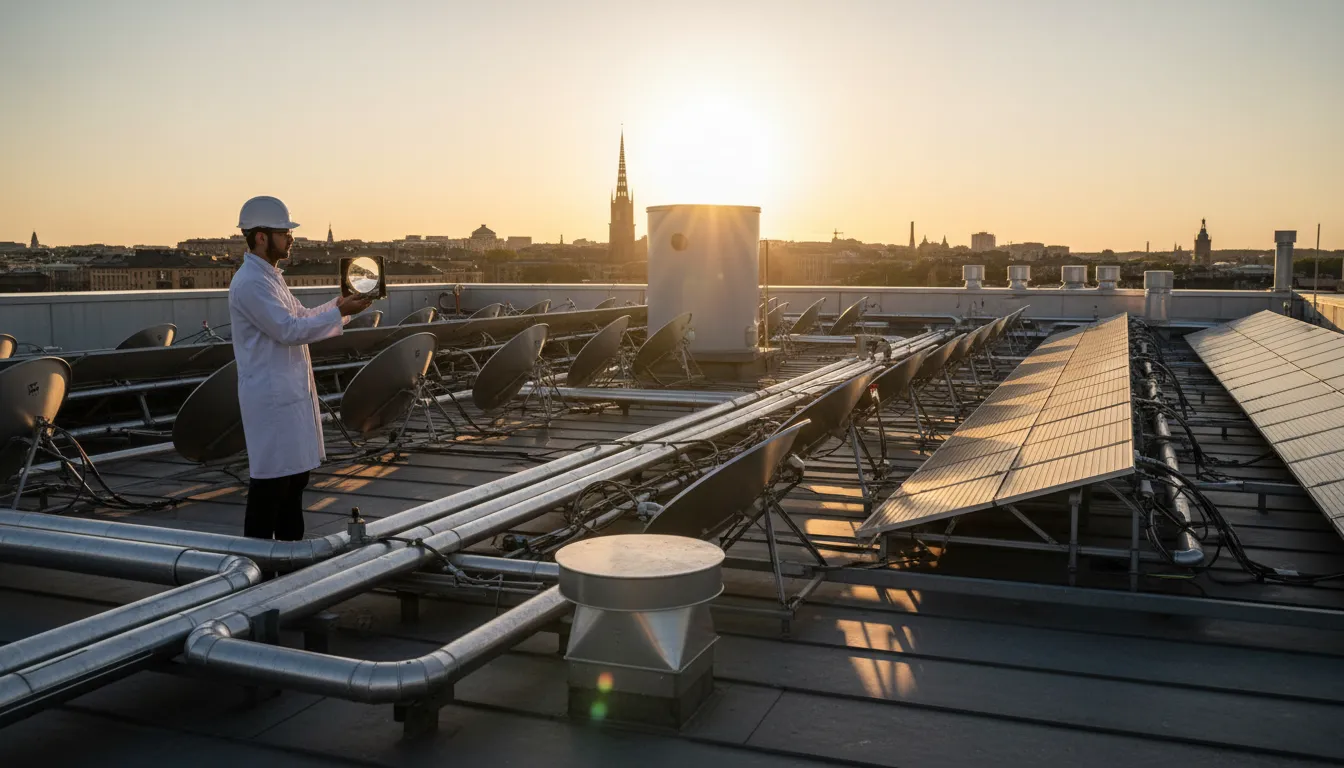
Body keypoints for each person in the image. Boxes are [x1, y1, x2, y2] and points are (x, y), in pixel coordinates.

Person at [228, 196, 372, 541]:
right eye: (284, 232)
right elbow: (288, 330)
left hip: (285, 397)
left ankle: (289, 564)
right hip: (271, 399)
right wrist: (338, 313)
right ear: (261, 236)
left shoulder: (269, 277)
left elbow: (300, 317)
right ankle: (261, 567)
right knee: (271, 490)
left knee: (293, 484)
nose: (291, 238)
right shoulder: (251, 283)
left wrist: (341, 305)